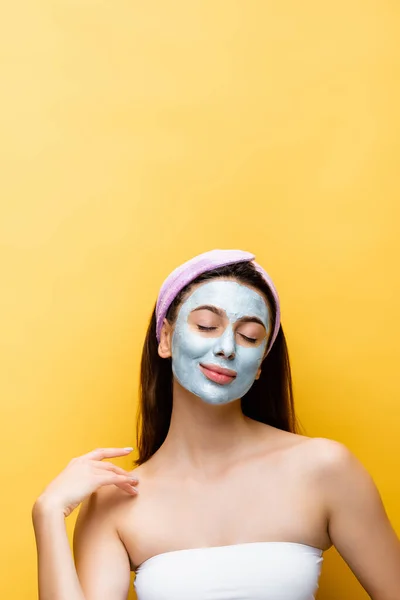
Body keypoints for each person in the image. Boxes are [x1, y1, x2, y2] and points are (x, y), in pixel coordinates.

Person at [32, 249, 400, 600]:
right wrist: (48, 513)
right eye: (207, 325)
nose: (227, 347)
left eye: (250, 336)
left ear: (259, 365)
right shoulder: (117, 499)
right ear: (165, 338)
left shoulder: (324, 469)